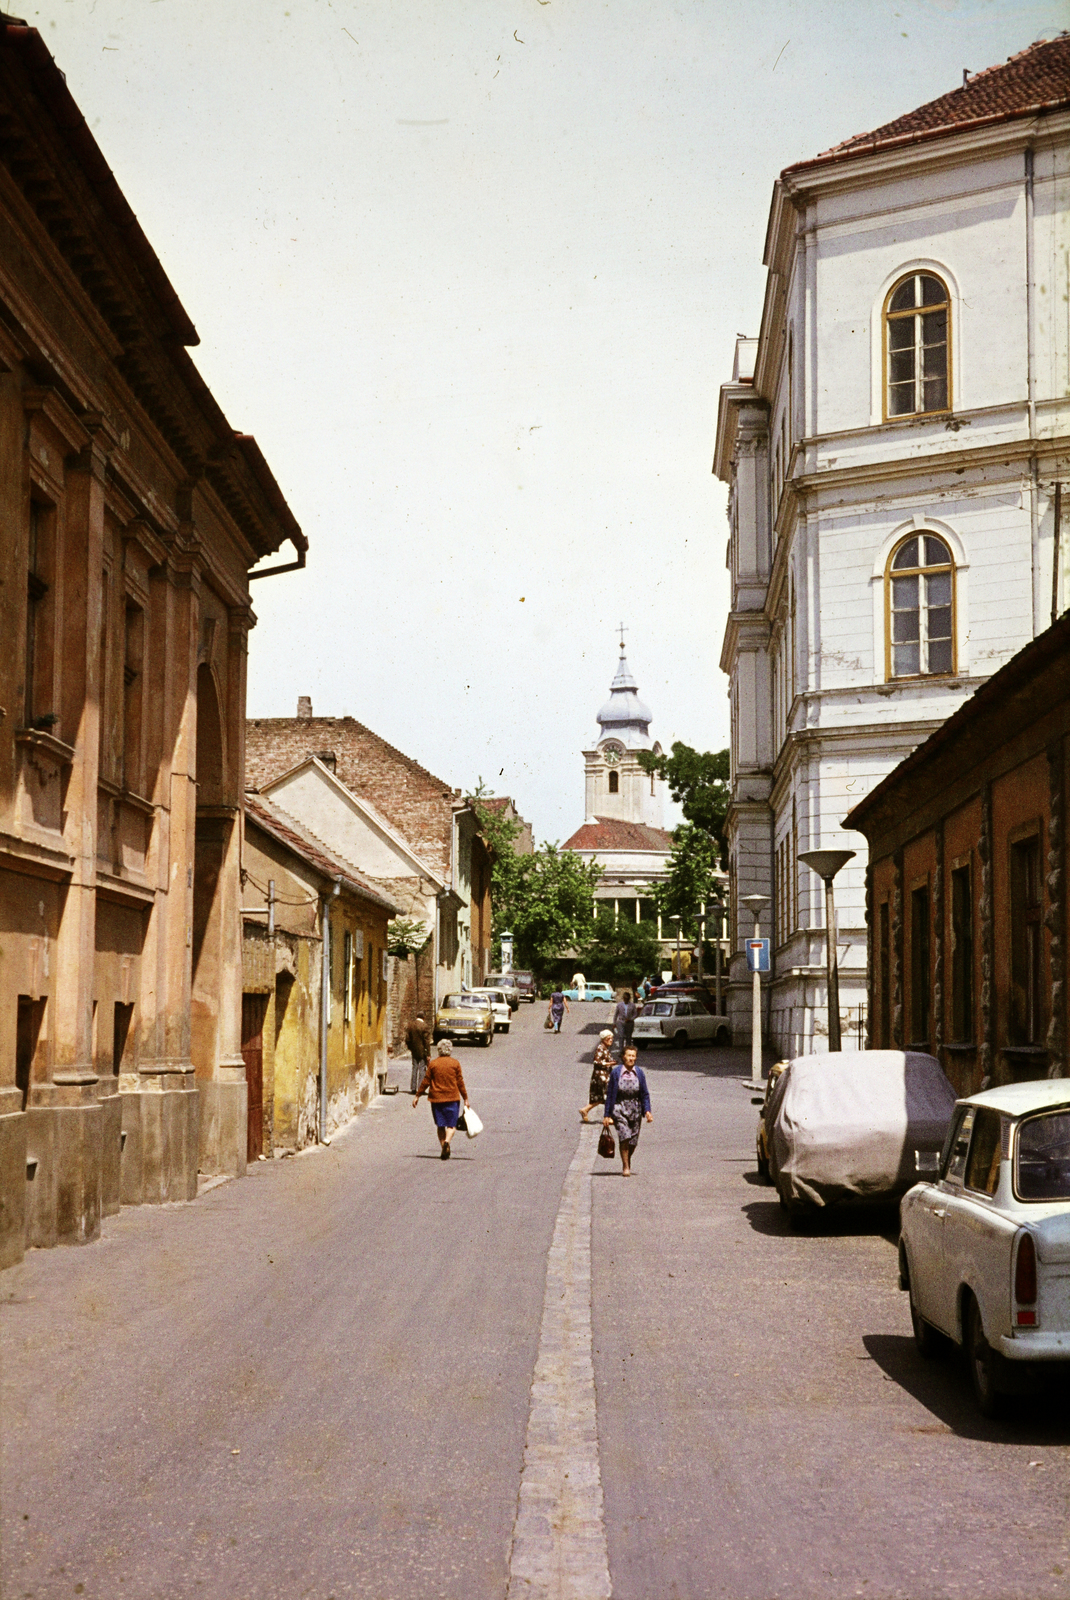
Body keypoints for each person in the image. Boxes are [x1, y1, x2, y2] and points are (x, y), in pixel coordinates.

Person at [413, 1039, 470, 1160]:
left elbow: (426, 1081)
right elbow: (460, 1082)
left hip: (436, 1099)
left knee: (440, 1125)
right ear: (450, 1050)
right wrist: (465, 1098)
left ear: (439, 1050)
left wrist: (417, 1095)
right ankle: (447, 1142)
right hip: (452, 1098)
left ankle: (443, 1145)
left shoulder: (433, 1064)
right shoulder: (455, 1064)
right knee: (452, 1124)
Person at [603, 1044, 652, 1176]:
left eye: (633, 1056)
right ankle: (626, 1166)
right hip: (619, 1108)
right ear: (623, 1057)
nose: (631, 1058)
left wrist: (647, 1111)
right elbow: (610, 1094)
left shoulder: (639, 1073)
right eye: (629, 1055)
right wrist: (607, 1115)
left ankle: (627, 1159)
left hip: (635, 1109)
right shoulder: (616, 1072)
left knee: (633, 1141)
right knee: (624, 1137)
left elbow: (644, 1093)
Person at [580, 1029, 616, 1122]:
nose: (611, 1040)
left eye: (612, 1038)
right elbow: (597, 1061)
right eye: (609, 1038)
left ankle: (585, 1110)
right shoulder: (600, 1048)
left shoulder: (605, 1048)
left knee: (601, 1097)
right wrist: (609, 1064)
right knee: (607, 1095)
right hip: (601, 1076)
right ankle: (609, 1117)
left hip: (605, 1075)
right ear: (603, 1039)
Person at [405, 1014, 432, 1096]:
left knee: (414, 1068)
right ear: (424, 1017)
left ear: (416, 1017)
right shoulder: (425, 1026)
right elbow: (426, 1042)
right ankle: (421, 1088)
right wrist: (428, 1053)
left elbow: (407, 1039)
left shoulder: (410, 1025)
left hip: (414, 1050)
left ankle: (413, 1088)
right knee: (422, 1069)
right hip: (422, 1051)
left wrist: (411, 1048)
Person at [612, 990, 636, 1054]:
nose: (626, 999)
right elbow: (616, 1014)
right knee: (621, 1036)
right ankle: (621, 1050)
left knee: (628, 1037)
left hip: (629, 1023)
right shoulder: (619, 1005)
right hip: (621, 1021)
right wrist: (614, 1023)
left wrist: (631, 1019)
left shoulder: (632, 1005)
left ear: (629, 998)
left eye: (627, 998)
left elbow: (635, 1014)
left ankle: (627, 1050)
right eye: (625, 998)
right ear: (623, 998)